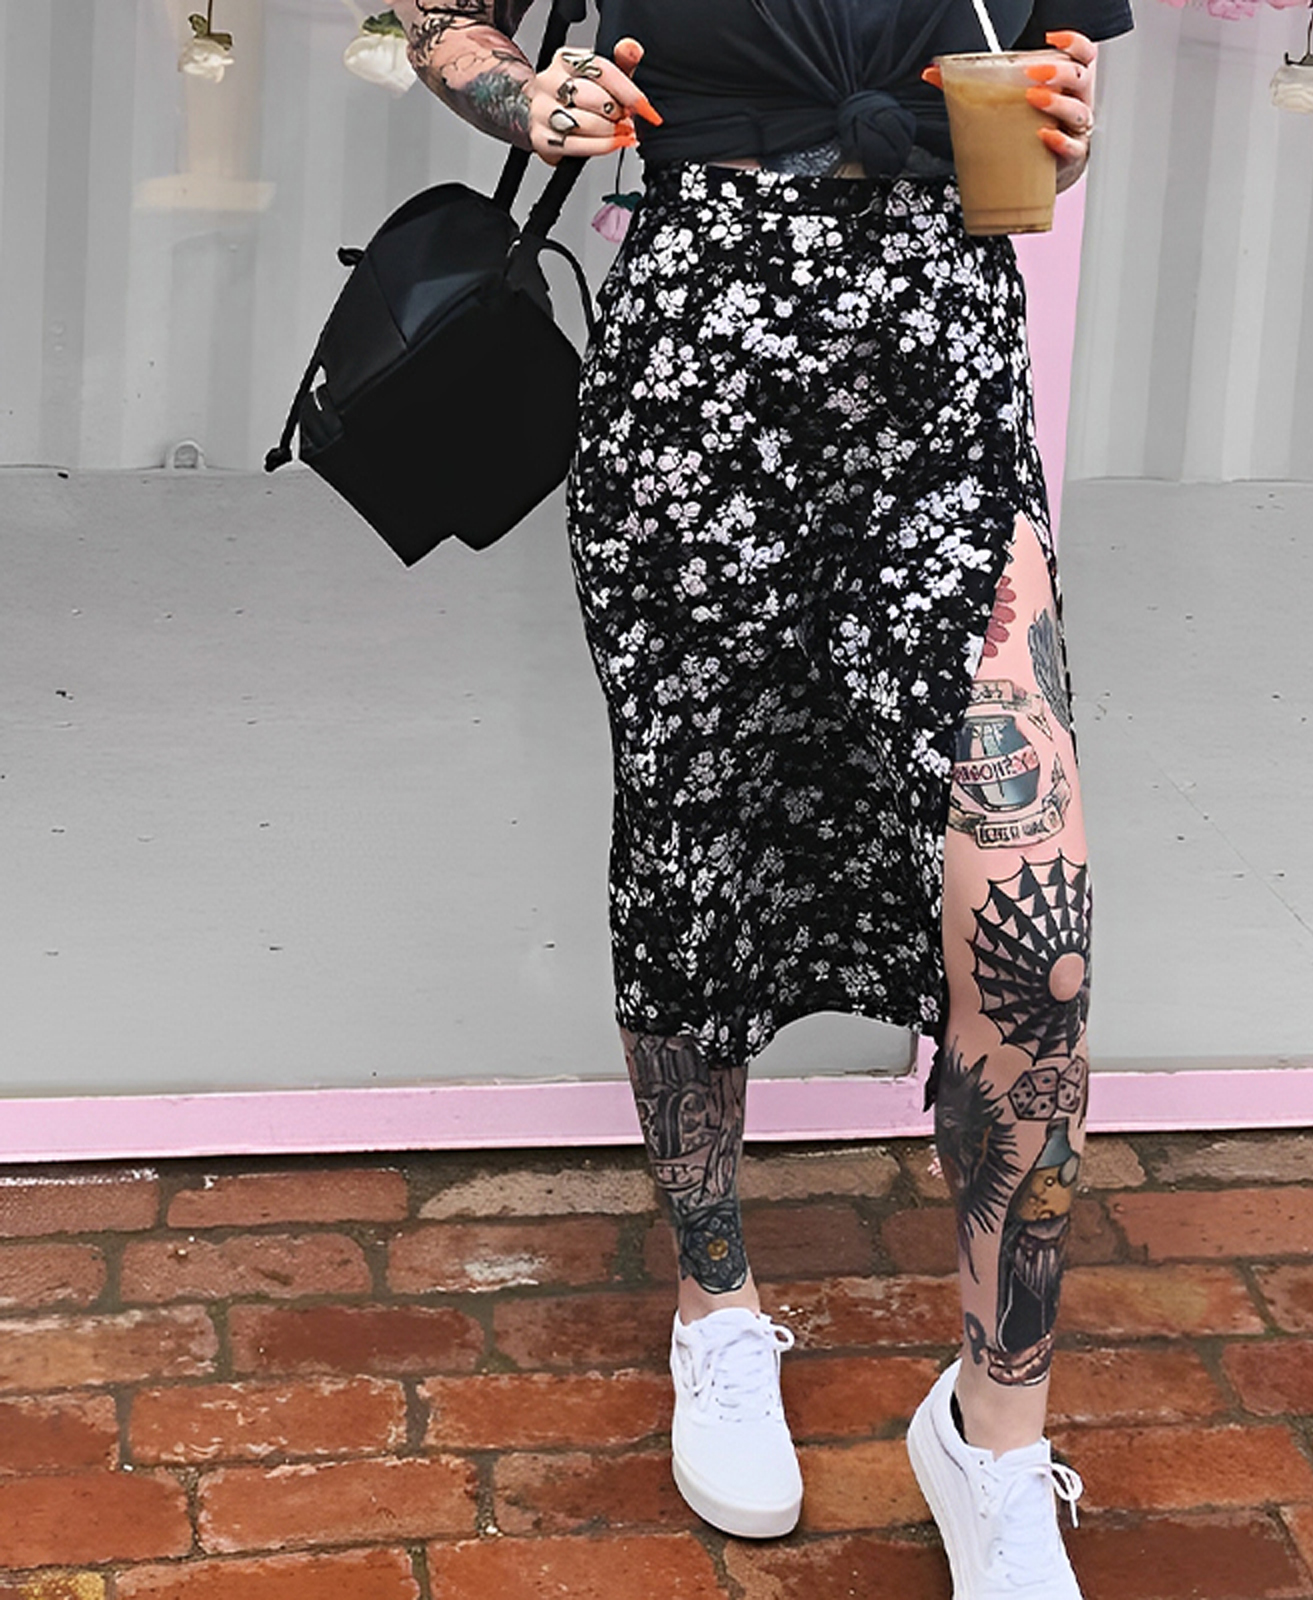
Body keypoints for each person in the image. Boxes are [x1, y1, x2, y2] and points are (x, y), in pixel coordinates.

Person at [394, 1, 1131, 1592]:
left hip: (939, 382)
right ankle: (715, 1303)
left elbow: (1051, 104)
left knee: (1034, 916)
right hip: (695, 370)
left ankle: (995, 1436)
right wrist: (525, 95)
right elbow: (441, 22)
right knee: (693, 850)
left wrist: (1063, 129)